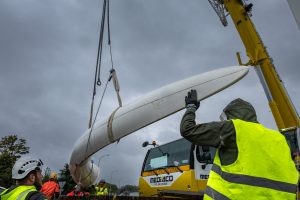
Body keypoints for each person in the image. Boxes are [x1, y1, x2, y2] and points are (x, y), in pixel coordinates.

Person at [180, 89, 298, 199]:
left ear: (229, 116)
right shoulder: (279, 138)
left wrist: (191, 108)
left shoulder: (233, 128)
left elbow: (188, 129)